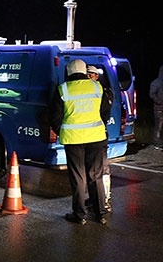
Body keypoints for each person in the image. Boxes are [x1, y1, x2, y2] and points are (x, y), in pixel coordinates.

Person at [50, 59, 111, 225]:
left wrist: (61, 130)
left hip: (73, 139)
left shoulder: (63, 89)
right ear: (84, 72)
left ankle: (79, 214)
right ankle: (101, 214)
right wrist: (98, 126)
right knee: (96, 176)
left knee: (78, 178)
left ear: (68, 72)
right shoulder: (97, 87)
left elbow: (55, 117)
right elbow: (105, 112)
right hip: (96, 138)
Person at [86, 65, 113, 212]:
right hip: (90, 135)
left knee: (102, 169)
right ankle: (94, 199)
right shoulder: (91, 91)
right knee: (93, 171)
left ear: (96, 76)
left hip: (98, 134)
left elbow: (104, 115)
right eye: (86, 74)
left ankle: (105, 199)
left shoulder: (102, 91)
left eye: (91, 75)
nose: (88, 77)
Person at [149, 65, 163, 151]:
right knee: (158, 126)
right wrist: (159, 102)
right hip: (159, 109)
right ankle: (157, 144)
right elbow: (152, 94)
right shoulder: (156, 83)